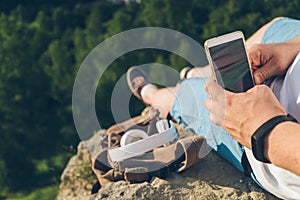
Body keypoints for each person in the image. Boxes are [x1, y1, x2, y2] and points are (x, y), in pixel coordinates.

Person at [126, 17, 300, 199]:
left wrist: (265, 131)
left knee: (185, 94)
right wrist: (293, 46)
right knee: (276, 25)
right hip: (291, 61)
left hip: (267, 133)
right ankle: (199, 72)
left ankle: (151, 94)